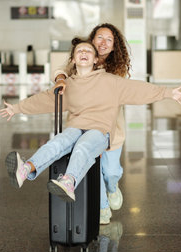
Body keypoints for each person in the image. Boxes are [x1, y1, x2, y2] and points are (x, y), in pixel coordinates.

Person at [0, 38, 181, 204]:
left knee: (83, 146)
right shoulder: (68, 85)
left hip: (100, 131)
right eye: (79, 51)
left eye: (88, 51)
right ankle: (25, 169)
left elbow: (138, 89)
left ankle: (69, 182)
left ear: (96, 59)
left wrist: (167, 93)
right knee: (58, 142)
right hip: (76, 127)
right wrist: (17, 108)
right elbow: (46, 100)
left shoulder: (110, 81)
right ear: (73, 59)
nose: (83, 53)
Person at [53, 23, 132, 224]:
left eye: (109, 40)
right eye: (99, 38)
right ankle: (103, 208)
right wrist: (61, 78)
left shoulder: (118, 69)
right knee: (91, 167)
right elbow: (61, 69)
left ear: (114, 46)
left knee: (111, 172)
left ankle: (113, 187)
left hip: (111, 130)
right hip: (85, 128)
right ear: (92, 39)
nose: (103, 43)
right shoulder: (82, 58)